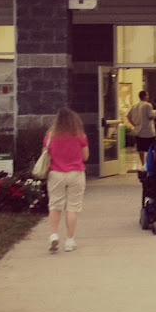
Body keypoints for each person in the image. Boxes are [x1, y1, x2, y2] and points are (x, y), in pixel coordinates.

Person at [44, 107, 89, 253]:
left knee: (55, 205)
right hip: (76, 173)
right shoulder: (80, 135)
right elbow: (85, 157)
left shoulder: (50, 136)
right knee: (72, 208)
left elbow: (46, 155)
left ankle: (54, 234)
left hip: (56, 173)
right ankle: (69, 241)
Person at [127, 90, 156, 165]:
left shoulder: (134, 105)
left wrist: (135, 124)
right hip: (148, 132)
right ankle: (150, 163)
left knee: (141, 150)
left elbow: (128, 116)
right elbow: (150, 117)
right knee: (151, 149)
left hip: (138, 132)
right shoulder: (148, 105)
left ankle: (143, 164)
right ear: (144, 96)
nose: (148, 97)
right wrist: (155, 115)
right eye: (147, 95)